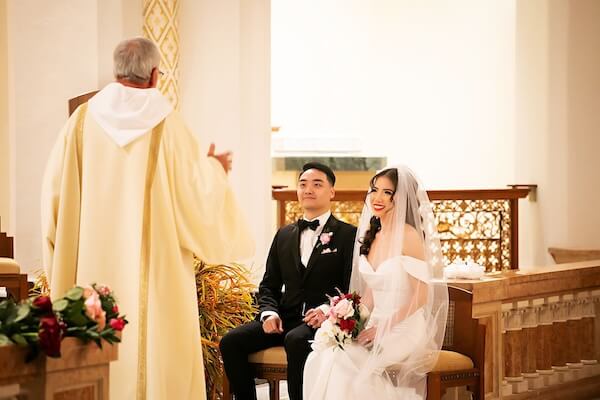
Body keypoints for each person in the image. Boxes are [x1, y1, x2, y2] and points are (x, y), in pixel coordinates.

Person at [40, 37, 254, 400]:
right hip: (157, 280)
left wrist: (59, 259)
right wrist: (215, 170)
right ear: (155, 74)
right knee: (156, 357)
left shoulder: (80, 124)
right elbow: (196, 199)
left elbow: (53, 200)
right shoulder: (168, 126)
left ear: (116, 71)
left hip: (90, 277)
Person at [303, 166, 448, 399]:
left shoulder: (408, 235)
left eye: (387, 192)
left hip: (404, 326)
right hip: (375, 324)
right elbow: (370, 294)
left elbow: (420, 296)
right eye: (374, 190)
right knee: (327, 353)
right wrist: (345, 321)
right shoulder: (374, 232)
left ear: (400, 197)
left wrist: (381, 329)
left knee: (347, 362)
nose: (377, 198)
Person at [219, 162, 357, 400]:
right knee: (231, 341)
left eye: (317, 184)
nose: (308, 189)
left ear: (331, 192)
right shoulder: (284, 234)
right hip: (284, 317)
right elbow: (268, 285)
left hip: (321, 322)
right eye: (303, 184)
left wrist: (327, 310)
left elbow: (351, 285)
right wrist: (269, 313)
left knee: (296, 341)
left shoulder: (348, 235)